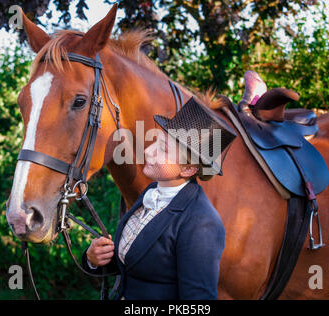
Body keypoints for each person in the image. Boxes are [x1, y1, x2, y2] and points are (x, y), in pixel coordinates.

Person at [81, 96, 236, 300]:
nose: (148, 151)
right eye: (156, 143)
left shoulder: (201, 223)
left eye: (163, 150)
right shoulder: (151, 191)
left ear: (188, 169)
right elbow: (140, 264)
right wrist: (94, 259)